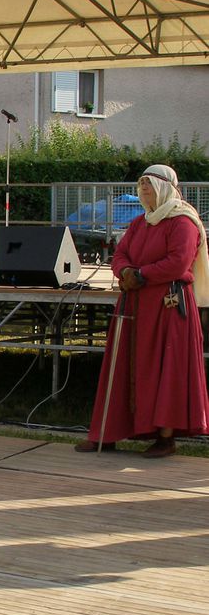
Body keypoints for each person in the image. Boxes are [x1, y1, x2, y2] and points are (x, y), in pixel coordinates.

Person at [75, 164, 209, 457]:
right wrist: (124, 271)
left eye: (148, 184)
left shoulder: (183, 222)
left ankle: (165, 436)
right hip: (135, 303)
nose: (143, 189)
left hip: (167, 307)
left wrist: (142, 275)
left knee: (165, 367)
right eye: (141, 185)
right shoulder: (141, 223)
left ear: (163, 187)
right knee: (122, 366)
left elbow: (178, 262)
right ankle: (107, 433)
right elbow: (120, 253)